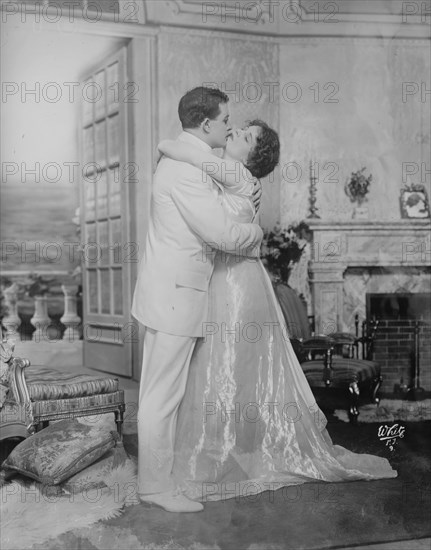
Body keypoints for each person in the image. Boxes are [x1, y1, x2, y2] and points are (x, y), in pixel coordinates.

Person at [157, 120, 397, 502]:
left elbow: (186, 153)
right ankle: (230, 448)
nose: (235, 132)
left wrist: (166, 145)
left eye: (247, 136)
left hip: (236, 286)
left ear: (254, 157)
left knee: (228, 366)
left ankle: (225, 455)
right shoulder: (233, 176)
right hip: (230, 280)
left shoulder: (238, 175)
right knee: (225, 367)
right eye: (237, 128)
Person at [131, 87, 264, 513]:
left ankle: (159, 480)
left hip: (170, 290)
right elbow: (223, 234)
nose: (230, 127)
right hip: (175, 293)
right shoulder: (185, 170)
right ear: (206, 124)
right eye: (226, 120)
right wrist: (257, 234)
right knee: (161, 396)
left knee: (162, 392)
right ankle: (154, 487)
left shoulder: (184, 158)